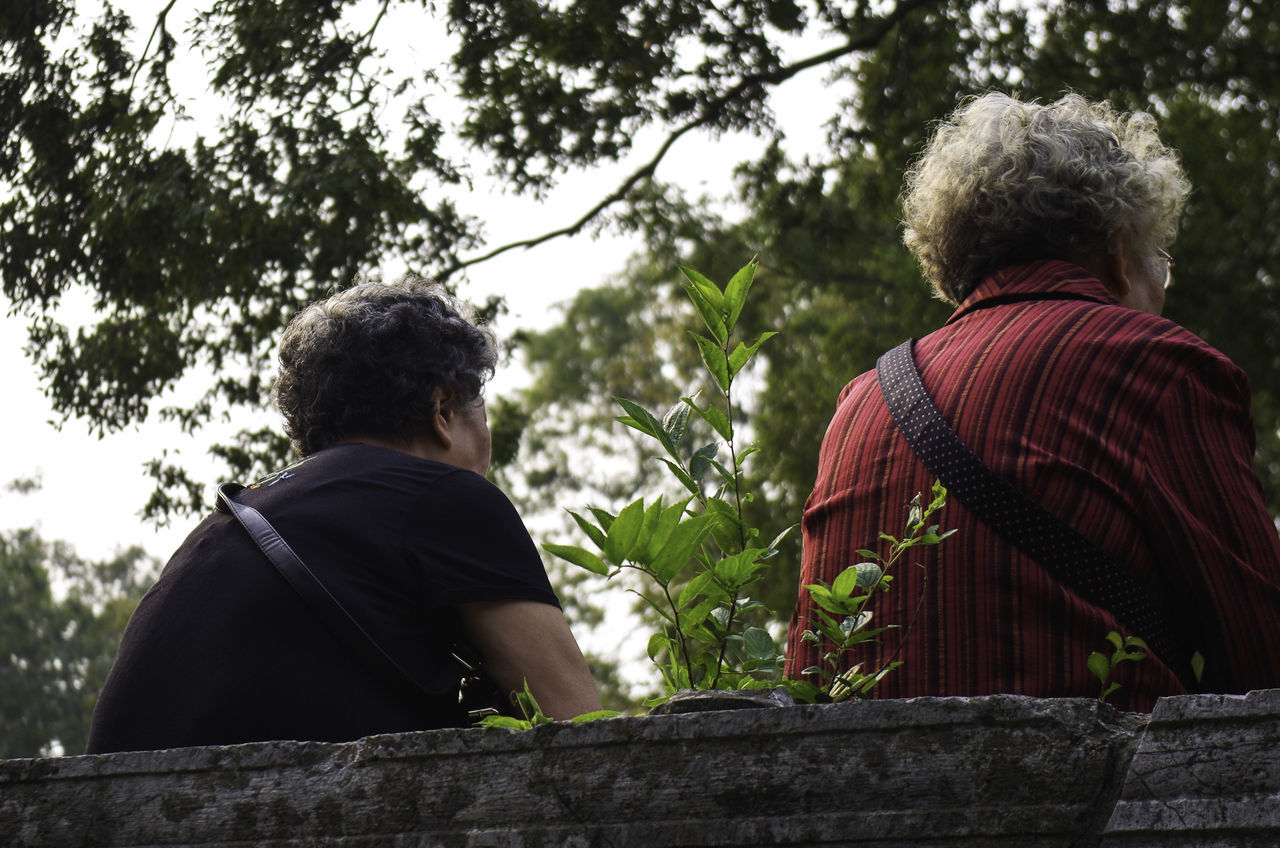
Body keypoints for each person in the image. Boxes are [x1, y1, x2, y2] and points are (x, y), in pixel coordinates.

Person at [785, 93, 1280, 712]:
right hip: (1090, 803)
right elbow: (1265, 653)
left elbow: (810, 670)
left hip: (851, 797)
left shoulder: (859, 403)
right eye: (1163, 262)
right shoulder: (1154, 363)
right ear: (1119, 255)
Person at [88, 277, 601, 752]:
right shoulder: (448, 496)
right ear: (442, 410)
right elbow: (580, 730)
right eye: (481, 414)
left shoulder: (221, 527)